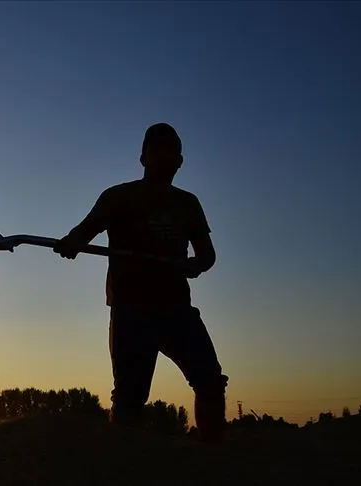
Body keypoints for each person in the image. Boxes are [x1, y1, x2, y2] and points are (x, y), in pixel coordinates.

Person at [53, 122, 228, 444]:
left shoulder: (188, 203)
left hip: (177, 308)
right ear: (143, 157)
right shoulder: (119, 197)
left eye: (171, 151)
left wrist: (196, 265)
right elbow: (86, 229)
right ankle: (125, 462)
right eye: (157, 150)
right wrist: (72, 242)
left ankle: (212, 453)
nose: (165, 156)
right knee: (130, 397)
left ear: (180, 160)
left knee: (210, 381)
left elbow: (206, 254)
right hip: (131, 309)